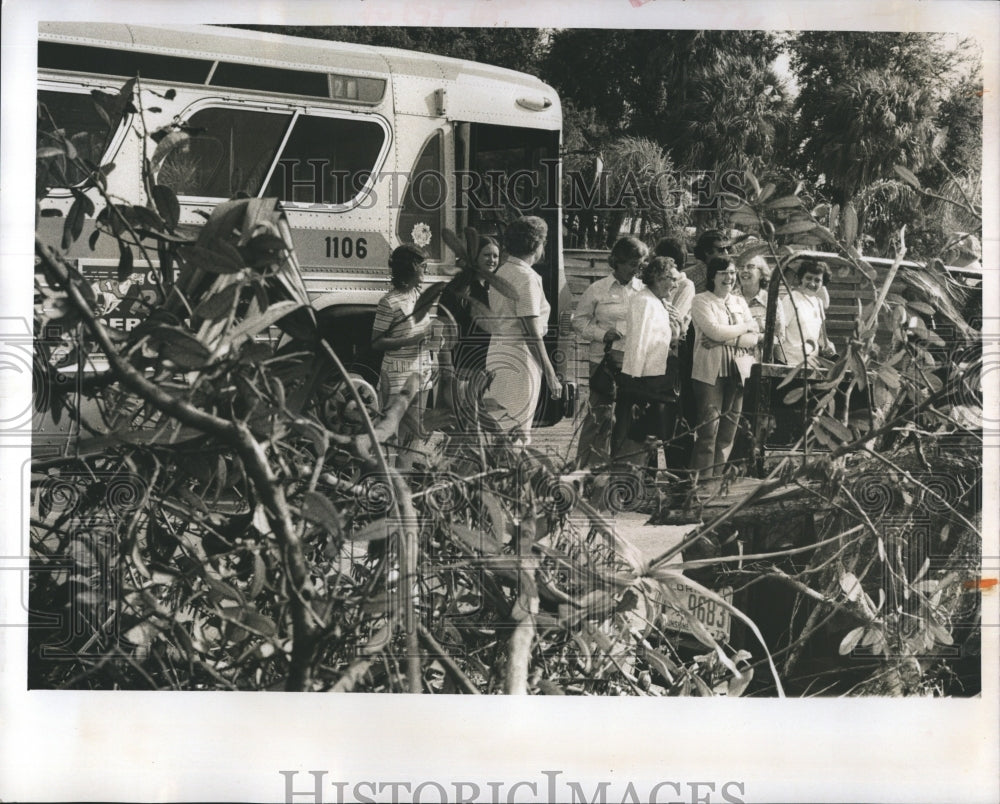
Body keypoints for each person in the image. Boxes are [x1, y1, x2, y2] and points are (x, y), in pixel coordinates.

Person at [483, 216, 562, 445]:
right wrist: (550, 373)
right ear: (536, 245)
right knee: (517, 429)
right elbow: (531, 331)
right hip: (519, 358)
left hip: (497, 351)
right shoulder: (527, 278)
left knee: (500, 424)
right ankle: (512, 476)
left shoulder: (503, 271)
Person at [571, 235, 647, 469]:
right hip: (604, 362)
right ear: (617, 262)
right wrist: (602, 334)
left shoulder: (643, 290)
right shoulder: (597, 289)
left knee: (627, 419)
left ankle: (618, 474)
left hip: (634, 362)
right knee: (600, 418)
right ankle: (585, 471)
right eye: (632, 264)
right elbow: (578, 322)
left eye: (640, 264)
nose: (636, 270)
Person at [690, 257, 761, 478]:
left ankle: (715, 484)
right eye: (723, 273)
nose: (729, 277)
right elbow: (713, 331)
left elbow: (754, 338)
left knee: (727, 434)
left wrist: (724, 339)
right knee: (708, 433)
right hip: (710, 374)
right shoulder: (701, 301)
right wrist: (745, 326)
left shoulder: (739, 302)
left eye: (732, 272)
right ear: (712, 276)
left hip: (738, 372)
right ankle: (698, 486)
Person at [614, 257, 683, 472]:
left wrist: (678, 327)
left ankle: (637, 484)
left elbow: (666, 340)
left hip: (659, 379)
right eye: (672, 279)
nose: (675, 284)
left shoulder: (659, 302)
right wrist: (634, 383)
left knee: (649, 436)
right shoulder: (643, 301)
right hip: (644, 381)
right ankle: (623, 486)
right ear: (657, 277)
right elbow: (638, 341)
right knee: (635, 437)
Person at [371, 244, 441, 455]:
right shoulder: (389, 302)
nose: (425, 271)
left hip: (422, 371)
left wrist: (434, 353)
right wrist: (415, 339)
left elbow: (424, 332)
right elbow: (376, 342)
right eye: (423, 266)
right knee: (393, 436)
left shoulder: (418, 295)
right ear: (410, 267)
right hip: (398, 374)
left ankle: (406, 481)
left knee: (412, 437)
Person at [439, 236, 501, 403]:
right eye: (487, 255)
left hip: (485, 366)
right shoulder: (458, 289)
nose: (492, 260)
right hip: (463, 367)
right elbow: (444, 329)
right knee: (463, 419)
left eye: (495, 256)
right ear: (474, 258)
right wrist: (448, 367)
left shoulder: (490, 288)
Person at [781, 258, 835, 367]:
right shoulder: (791, 299)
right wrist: (782, 364)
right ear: (801, 278)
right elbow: (779, 334)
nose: (812, 283)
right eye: (808, 278)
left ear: (822, 283)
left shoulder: (818, 303)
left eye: (817, 280)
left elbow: (821, 338)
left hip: (812, 366)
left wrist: (830, 348)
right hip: (792, 365)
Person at [737, 254, 786, 363]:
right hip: (732, 362)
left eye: (750, 267)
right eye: (741, 267)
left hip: (761, 364)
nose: (744, 270)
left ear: (762, 274)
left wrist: (756, 338)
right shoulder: (730, 298)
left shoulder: (772, 301)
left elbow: (780, 337)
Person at [688, 229, 733, 294]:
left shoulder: (732, 275)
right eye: (721, 249)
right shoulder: (689, 278)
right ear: (707, 251)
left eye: (728, 248)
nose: (726, 253)